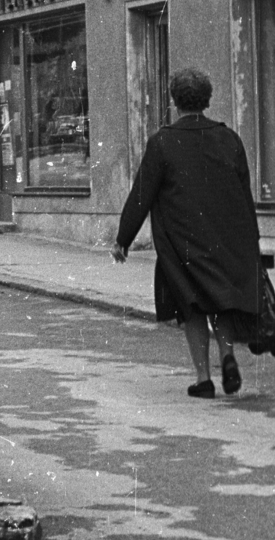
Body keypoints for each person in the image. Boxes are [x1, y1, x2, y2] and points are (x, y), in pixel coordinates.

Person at [112, 67, 265, 399]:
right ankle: (227, 356)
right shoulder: (229, 139)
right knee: (222, 299)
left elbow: (141, 195)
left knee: (191, 305)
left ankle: (203, 378)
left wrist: (123, 239)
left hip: (181, 240)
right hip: (226, 238)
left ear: (174, 101)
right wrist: (251, 241)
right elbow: (244, 195)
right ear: (206, 99)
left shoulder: (162, 142)